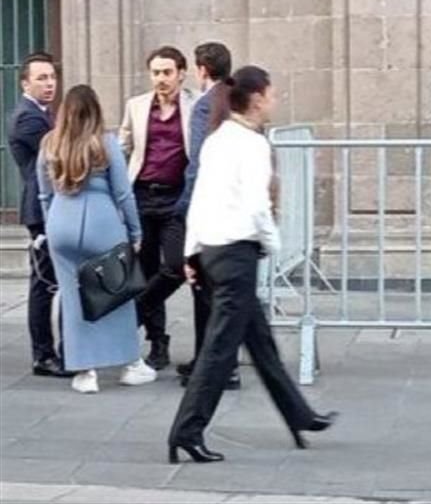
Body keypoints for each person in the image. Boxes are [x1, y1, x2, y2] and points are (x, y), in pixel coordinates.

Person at [167, 66, 336, 463]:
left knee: (260, 342)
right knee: (220, 349)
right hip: (236, 253)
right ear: (257, 97)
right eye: (273, 93)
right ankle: (187, 431)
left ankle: (299, 415)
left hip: (213, 250)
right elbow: (258, 205)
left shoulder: (218, 139)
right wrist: (274, 242)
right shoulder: (251, 144)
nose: (275, 100)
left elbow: (199, 199)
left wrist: (193, 253)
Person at [37, 85, 156, 393]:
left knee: (72, 298)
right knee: (116, 291)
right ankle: (130, 363)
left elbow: (44, 194)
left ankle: (84, 371)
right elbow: (123, 193)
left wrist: (51, 225)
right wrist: (135, 231)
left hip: (61, 222)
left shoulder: (49, 144)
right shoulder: (106, 143)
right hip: (101, 221)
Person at [119, 46, 196, 370]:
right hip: (142, 196)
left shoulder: (195, 106)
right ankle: (158, 342)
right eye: (155, 73)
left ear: (181, 72)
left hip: (176, 198)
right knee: (147, 270)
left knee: (175, 265)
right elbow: (122, 146)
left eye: (167, 72)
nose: (160, 79)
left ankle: (137, 309)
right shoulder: (136, 106)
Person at [172, 42, 240, 390]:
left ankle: (217, 367)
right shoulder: (238, 99)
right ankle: (211, 361)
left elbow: (197, 164)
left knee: (204, 289)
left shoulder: (204, 106)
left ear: (201, 70)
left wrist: (184, 208)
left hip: (209, 210)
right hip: (235, 211)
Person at [6, 53, 71, 378]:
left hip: (50, 207)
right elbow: (58, 154)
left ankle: (53, 351)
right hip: (41, 210)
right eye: (42, 78)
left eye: (52, 78)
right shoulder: (29, 119)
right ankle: (44, 355)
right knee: (44, 284)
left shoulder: (44, 114)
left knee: (49, 283)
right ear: (25, 82)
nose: (49, 84)